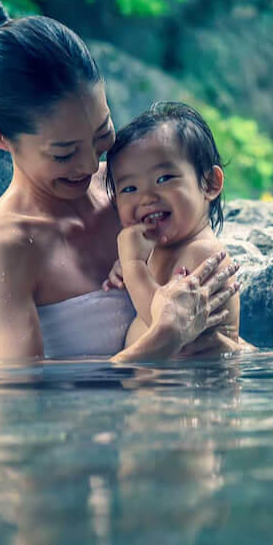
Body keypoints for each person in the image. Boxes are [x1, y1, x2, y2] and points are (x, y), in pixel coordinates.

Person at [0, 15, 240, 361]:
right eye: (64, 153)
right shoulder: (2, 249)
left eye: (102, 133)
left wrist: (224, 347)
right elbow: (17, 406)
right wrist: (166, 337)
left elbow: (215, 337)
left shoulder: (132, 194)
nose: (89, 166)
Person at [105, 102, 241, 356]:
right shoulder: (163, 248)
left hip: (190, 393)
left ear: (210, 183)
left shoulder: (203, 254)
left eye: (163, 179)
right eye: (129, 188)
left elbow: (169, 326)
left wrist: (134, 266)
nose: (146, 197)